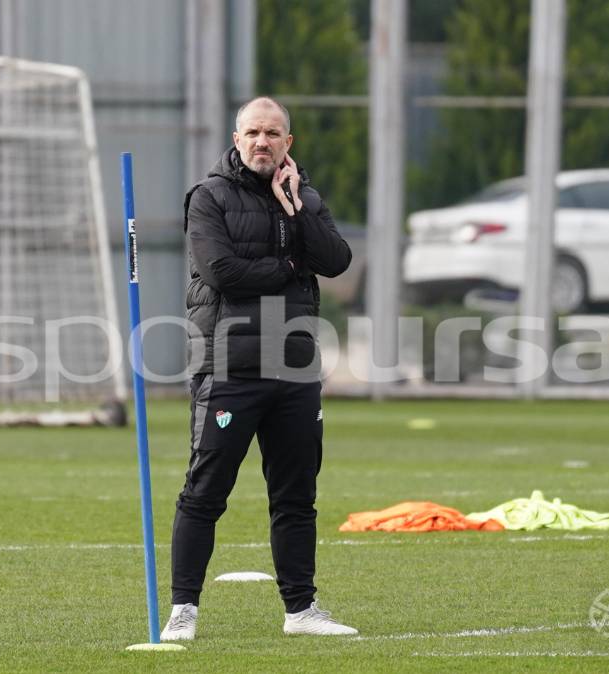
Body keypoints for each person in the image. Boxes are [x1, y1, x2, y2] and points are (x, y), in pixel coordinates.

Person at [160, 96, 356, 640]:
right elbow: (222, 271)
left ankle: (301, 611)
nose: (262, 142)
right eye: (253, 132)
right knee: (204, 492)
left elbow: (336, 261)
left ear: (287, 143)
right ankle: (184, 611)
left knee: (296, 495)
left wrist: (296, 210)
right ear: (237, 137)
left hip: (294, 369)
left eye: (273, 133)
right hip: (229, 366)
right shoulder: (209, 197)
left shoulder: (304, 197)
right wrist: (292, 265)